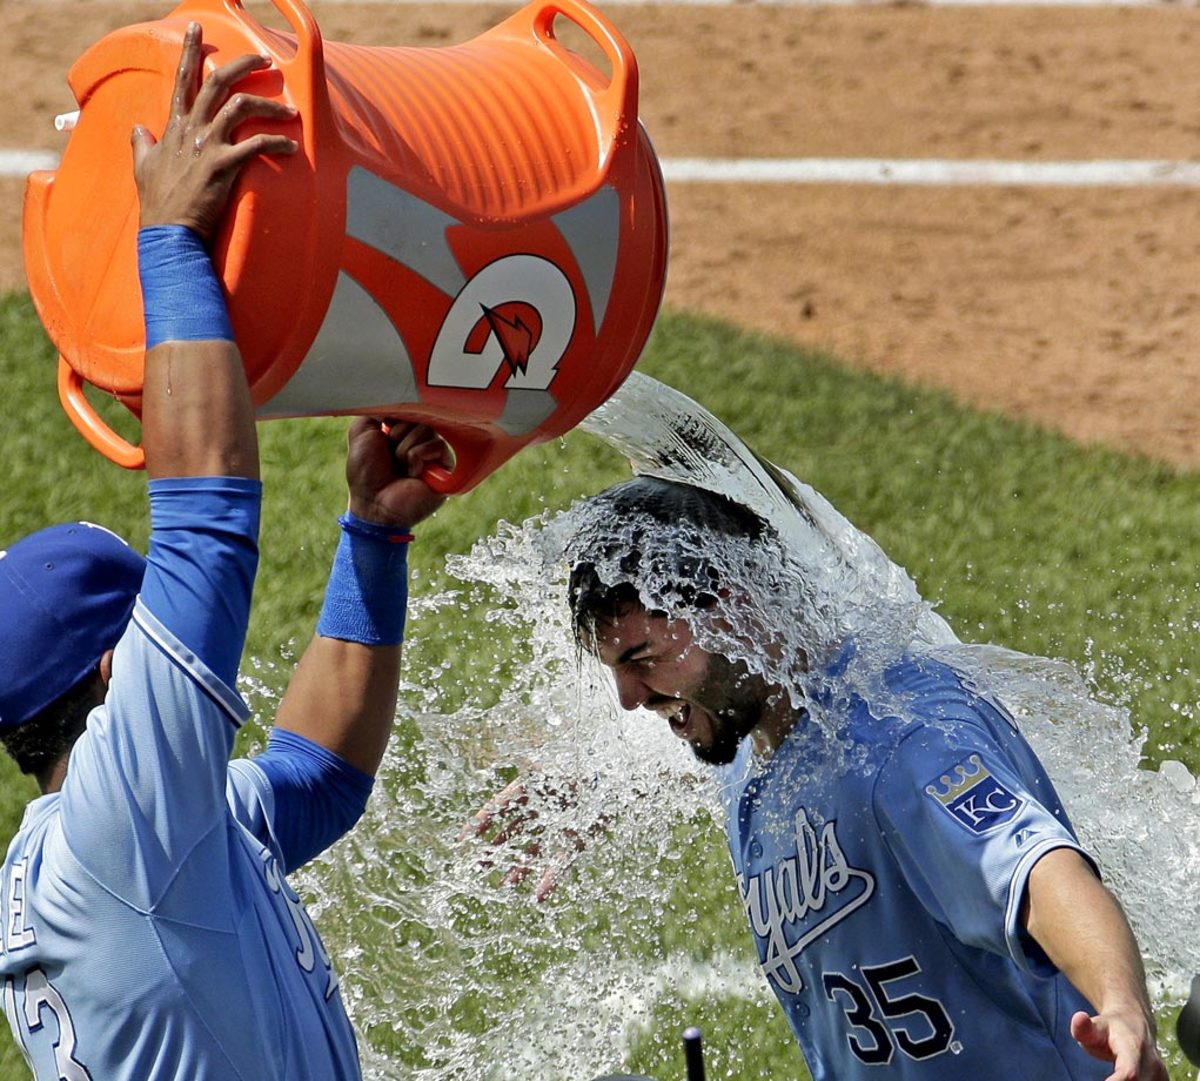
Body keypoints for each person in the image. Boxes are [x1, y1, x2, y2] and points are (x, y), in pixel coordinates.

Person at [0, 24, 449, 1079]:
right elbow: (205, 520)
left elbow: (317, 774)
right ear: (116, 669)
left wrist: (372, 536)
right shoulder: (122, 825)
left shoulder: (132, 846)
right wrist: (170, 241)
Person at [541, 474, 1166, 1081]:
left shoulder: (901, 744)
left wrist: (1122, 1006)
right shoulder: (749, 737)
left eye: (643, 660)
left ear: (735, 614)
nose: (628, 698)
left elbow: (1040, 875)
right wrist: (590, 791)